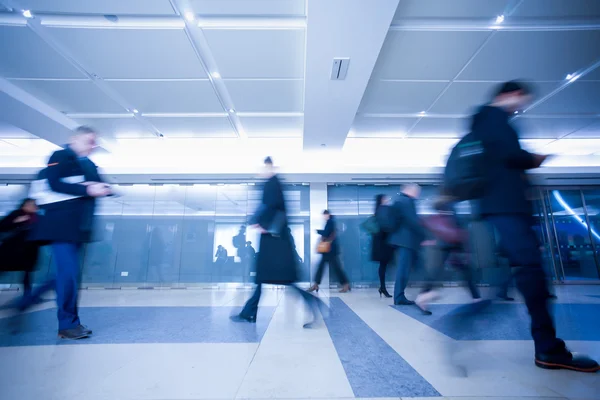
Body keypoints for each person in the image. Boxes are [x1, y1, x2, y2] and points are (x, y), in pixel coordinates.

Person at [475, 81, 598, 372]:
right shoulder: (492, 118)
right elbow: (510, 156)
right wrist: (534, 159)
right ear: (509, 93)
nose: (520, 106)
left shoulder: (486, 121)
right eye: (520, 99)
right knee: (532, 275)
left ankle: (546, 345)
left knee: (529, 273)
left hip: (502, 209)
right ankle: (547, 349)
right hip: (507, 208)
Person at [26, 126, 112, 340]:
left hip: (79, 229)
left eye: (94, 142)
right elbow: (53, 183)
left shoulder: (90, 164)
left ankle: (60, 316)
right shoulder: (60, 156)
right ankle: (67, 325)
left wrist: (105, 189)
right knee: (68, 275)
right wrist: (87, 189)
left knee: (69, 276)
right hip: (61, 227)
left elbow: (100, 185)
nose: (92, 146)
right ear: (74, 139)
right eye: (88, 141)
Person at [231, 157, 324, 328]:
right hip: (275, 241)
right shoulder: (275, 183)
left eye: (263, 168)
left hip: (275, 243)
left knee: (281, 280)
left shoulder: (271, 183)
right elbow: (273, 207)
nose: (261, 171)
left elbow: (269, 206)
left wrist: (257, 221)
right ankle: (249, 312)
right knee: (262, 278)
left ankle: (312, 303)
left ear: (268, 167)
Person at [415, 195, 481, 315]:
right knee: (464, 271)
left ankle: (422, 297)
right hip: (452, 243)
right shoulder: (451, 206)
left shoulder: (439, 212)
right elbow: (457, 226)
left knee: (437, 271)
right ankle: (476, 298)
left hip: (446, 243)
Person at [386, 183, 427, 306]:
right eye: (416, 191)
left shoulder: (400, 200)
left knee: (407, 268)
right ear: (410, 190)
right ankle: (399, 297)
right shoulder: (406, 201)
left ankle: (402, 295)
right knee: (403, 269)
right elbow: (413, 221)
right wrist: (425, 235)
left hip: (403, 241)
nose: (418, 194)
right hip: (406, 241)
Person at [0, 198, 41, 302]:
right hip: (11, 250)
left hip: (29, 250)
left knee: (27, 274)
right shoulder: (16, 214)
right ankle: (28, 296)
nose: (33, 206)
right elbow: (2, 226)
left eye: (34, 205)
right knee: (3, 269)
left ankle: (27, 296)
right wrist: (16, 221)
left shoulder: (37, 217)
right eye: (31, 204)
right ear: (24, 206)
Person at [308, 210, 350, 293]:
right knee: (324, 267)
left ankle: (345, 284)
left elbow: (327, 233)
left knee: (335, 268)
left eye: (325, 215)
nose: (324, 217)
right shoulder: (331, 222)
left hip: (330, 250)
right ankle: (316, 284)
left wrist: (318, 231)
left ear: (328, 215)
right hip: (329, 250)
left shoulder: (330, 222)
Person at [371, 195, 395, 298]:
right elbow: (386, 227)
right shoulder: (383, 211)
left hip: (380, 243)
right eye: (385, 198)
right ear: (381, 200)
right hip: (384, 243)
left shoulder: (377, 211)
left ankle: (383, 287)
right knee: (384, 265)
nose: (388, 200)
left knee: (383, 266)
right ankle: (383, 288)